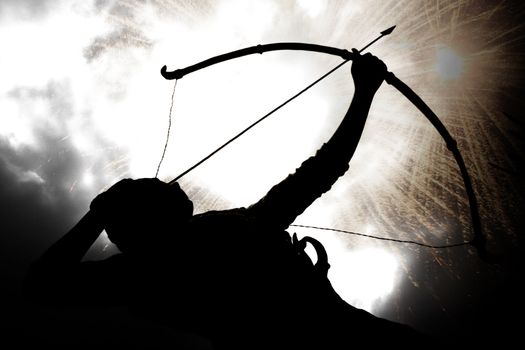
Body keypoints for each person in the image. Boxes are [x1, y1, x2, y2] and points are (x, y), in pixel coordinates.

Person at [24, 51, 431, 349]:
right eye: (151, 187)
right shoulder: (157, 266)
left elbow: (43, 284)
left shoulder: (140, 273)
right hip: (339, 345)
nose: (169, 184)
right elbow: (320, 172)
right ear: (146, 221)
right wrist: (363, 93)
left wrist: (101, 212)